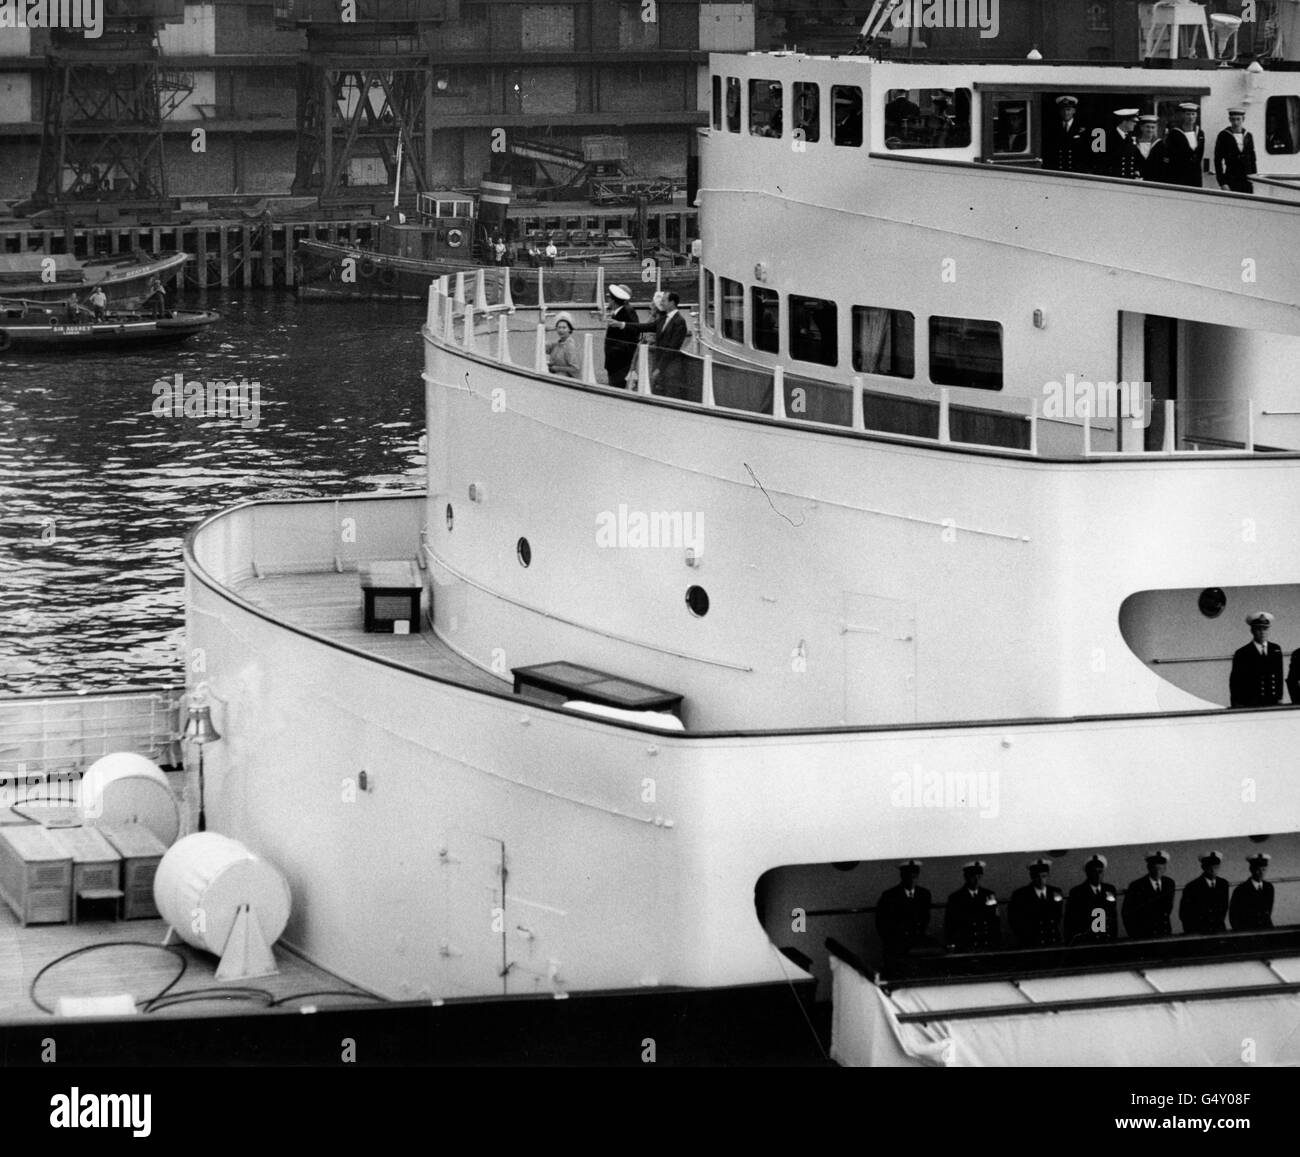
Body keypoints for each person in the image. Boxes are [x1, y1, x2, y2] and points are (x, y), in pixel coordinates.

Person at [875, 859, 932, 969]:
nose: (912, 879)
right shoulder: (890, 896)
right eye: (908, 876)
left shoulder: (924, 894)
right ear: (902, 876)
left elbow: (925, 918)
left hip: (917, 945)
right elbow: (881, 923)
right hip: (896, 945)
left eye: (914, 876)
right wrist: (893, 943)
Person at [943, 860, 1001, 952]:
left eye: (979, 876)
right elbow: (950, 924)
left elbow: (995, 921)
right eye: (973, 876)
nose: (977, 879)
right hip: (966, 944)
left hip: (986, 942)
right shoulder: (956, 898)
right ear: (966, 877)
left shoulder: (989, 894)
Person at [1229, 611, 1284, 707]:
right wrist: (1237, 703)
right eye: (1259, 629)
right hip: (1251, 702)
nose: (1262, 632)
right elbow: (1235, 681)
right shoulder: (1242, 653)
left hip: (1273, 700)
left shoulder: (1275, 649)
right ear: (1252, 630)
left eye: (1265, 629)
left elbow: (1279, 675)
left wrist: (1279, 697)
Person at [1008, 858, 1064, 948]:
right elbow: (1014, 921)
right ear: (1032, 876)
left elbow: (1058, 915)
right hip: (1032, 942)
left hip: (1052, 940)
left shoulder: (1055, 892)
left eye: (1044, 876)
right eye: (1037, 877)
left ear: (1048, 875)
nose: (1041, 880)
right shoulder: (1020, 895)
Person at [1064, 853, 1119, 944]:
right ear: (1087, 873)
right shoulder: (1077, 892)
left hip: (1107, 939)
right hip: (1087, 941)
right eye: (1093, 871)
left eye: (1100, 871)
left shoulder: (1109, 889)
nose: (1097, 875)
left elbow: (1113, 916)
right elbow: (1070, 921)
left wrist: (1113, 938)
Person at [1122, 850, 1176, 939]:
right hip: (1145, 934)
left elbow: (1167, 908)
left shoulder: (1169, 883)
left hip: (1164, 932)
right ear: (1149, 867)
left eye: (1161, 868)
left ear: (1165, 868)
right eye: (1155, 868)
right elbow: (1127, 913)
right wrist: (1134, 935)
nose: (1158, 871)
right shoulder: (1137, 886)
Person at [1179, 851, 1229, 935]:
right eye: (1210, 867)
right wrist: (1192, 933)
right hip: (1200, 931)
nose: (1213, 870)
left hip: (1219, 930)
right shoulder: (1192, 887)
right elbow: (1184, 914)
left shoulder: (1223, 884)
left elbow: (1224, 907)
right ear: (1203, 867)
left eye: (1216, 867)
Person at [603, 284, 640, 389]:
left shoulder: (627, 312)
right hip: (614, 363)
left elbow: (634, 333)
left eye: (609, 298)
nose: (608, 300)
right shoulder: (617, 313)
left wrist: (615, 351)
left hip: (620, 364)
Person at [1215, 107, 1257, 193]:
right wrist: (1222, 183)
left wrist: (1254, 177)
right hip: (1231, 178)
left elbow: (1252, 158)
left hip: (1247, 179)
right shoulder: (1224, 135)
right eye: (1233, 119)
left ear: (1243, 119)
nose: (1236, 122)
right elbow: (1217, 160)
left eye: (1238, 119)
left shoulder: (1248, 136)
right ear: (1229, 120)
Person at [1229, 853, 1274, 931]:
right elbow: (1233, 916)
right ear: (1251, 869)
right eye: (1258, 869)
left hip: (1266, 929)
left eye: (1264, 869)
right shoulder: (1241, 890)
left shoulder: (1269, 887)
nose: (1261, 873)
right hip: (1249, 931)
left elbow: (1268, 911)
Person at [1164, 102, 1205, 187]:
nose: (1191, 117)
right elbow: (1170, 155)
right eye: (1188, 114)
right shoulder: (1175, 133)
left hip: (1195, 175)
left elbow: (1199, 154)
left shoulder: (1200, 133)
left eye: (1193, 114)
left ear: (1196, 115)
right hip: (1179, 175)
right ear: (1183, 115)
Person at [1045, 95, 1088, 173]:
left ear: (1074, 111)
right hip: (1057, 170)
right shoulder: (1052, 128)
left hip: (1077, 171)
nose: (1065, 113)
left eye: (1068, 110)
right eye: (1063, 110)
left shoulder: (1083, 127)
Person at [1100, 109, 1143, 179]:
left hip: (1128, 180)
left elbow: (1137, 160)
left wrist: (1137, 172)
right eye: (1133, 121)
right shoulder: (1108, 137)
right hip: (1111, 180)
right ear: (1124, 121)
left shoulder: (1131, 139)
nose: (1135, 124)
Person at [545, 312, 582, 379]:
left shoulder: (570, 346)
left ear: (569, 329)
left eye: (564, 328)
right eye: (559, 327)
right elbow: (543, 349)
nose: (561, 330)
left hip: (566, 381)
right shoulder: (557, 343)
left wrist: (557, 368)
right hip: (555, 377)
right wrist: (543, 332)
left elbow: (576, 369)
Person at [1135, 115, 1168, 182]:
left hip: (1155, 181)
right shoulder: (1134, 143)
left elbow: (1163, 166)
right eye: (1147, 127)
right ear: (1141, 127)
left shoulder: (1160, 144)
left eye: (1153, 127)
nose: (1150, 130)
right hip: (1136, 180)